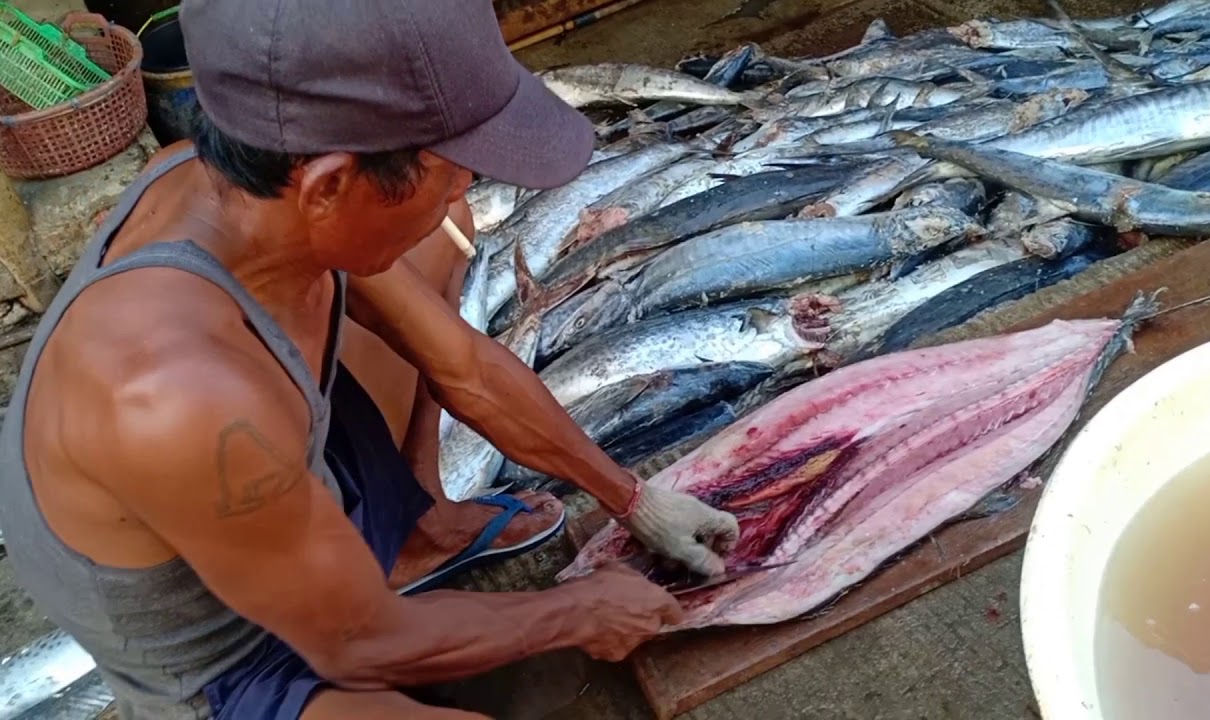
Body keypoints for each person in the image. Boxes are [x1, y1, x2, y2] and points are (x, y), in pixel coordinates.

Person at [0, 1, 742, 718]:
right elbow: (358, 644)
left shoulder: (231, 186)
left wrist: (634, 500)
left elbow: (467, 371)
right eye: (455, 165)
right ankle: (364, 570)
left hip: (272, 504)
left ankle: (414, 539)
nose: (470, 183)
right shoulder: (178, 399)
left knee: (435, 236)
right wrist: (574, 611)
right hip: (234, 669)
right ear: (329, 185)